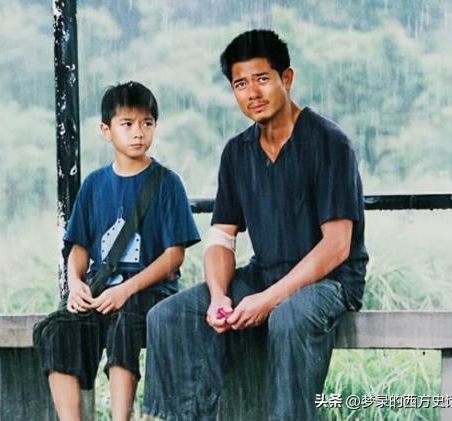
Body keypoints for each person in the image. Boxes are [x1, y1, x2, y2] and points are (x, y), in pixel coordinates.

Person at [142, 29, 368, 420]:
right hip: (264, 274)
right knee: (168, 317)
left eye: (262, 78)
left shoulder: (328, 142)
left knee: (289, 317)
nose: (253, 93)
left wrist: (269, 299)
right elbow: (221, 237)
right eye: (240, 84)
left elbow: (337, 246)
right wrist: (218, 297)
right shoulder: (237, 151)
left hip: (330, 282)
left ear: (286, 78)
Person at [37, 81, 200, 421]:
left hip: (152, 292)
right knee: (57, 328)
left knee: (124, 321)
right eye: (127, 123)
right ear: (106, 130)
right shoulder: (94, 185)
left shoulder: (167, 183)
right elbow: (79, 246)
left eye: (147, 123)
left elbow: (174, 256)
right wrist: (76, 284)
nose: (138, 132)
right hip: (102, 292)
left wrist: (126, 290)